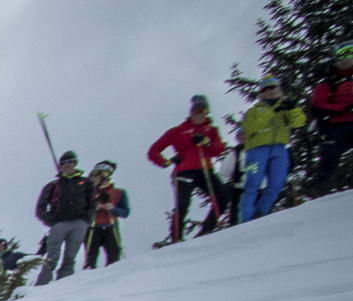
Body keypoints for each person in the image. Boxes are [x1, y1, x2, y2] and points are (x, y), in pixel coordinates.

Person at [149, 95, 229, 245]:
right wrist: (166, 162)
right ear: (191, 112)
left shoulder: (211, 130)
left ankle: (207, 230)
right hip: (184, 170)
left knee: (222, 196)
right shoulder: (178, 131)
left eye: (202, 111)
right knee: (183, 203)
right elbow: (154, 150)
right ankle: (176, 237)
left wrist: (206, 142)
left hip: (205, 168)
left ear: (207, 112)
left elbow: (218, 149)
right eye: (196, 110)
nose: (199, 114)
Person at [237, 77, 307, 223]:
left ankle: (261, 213)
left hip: (279, 149)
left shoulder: (285, 107)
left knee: (277, 184)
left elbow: (299, 122)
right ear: (261, 93)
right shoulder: (253, 111)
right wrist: (273, 110)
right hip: (255, 152)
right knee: (252, 184)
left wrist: (293, 107)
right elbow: (249, 128)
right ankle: (245, 219)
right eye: (265, 89)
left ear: (279, 88)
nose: (270, 91)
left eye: (273, 87)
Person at [33, 151, 95, 285]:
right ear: (60, 166)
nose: (67, 165)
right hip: (59, 224)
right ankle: (41, 285)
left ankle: (63, 286)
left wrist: (87, 220)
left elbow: (92, 204)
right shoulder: (53, 185)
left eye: (70, 162)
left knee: (70, 257)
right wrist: (51, 221)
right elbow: (41, 207)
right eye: (64, 163)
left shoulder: (86, 183)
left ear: (75, 164)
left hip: (79, 223)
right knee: (52, 257)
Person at [313, 45, 353, 196]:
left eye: (350, 53)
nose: (347, 59)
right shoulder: (327, 82)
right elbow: (318, 105)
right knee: (328, 162)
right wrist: (343, 108)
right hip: (334, 127)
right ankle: (320, 195)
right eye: (343, 55)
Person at [83, 161, 131, 269]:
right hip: (92, 228)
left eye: (95, 176)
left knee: (114, 259)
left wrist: (113, 209)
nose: (92, 179)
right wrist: (94, 208)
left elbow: (125, 212)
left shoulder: (119, 192)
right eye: (92, 176)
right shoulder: (88, 193)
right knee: (90, 259)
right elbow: (81, 209)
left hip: (111, 227)